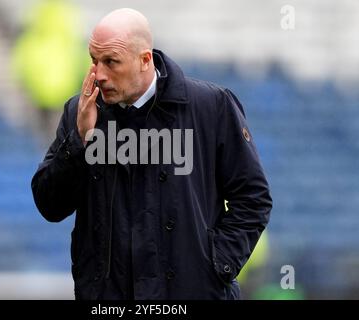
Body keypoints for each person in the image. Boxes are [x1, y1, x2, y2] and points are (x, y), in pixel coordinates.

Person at [31, 8, 272, 300]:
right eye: (94, 61)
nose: (99, 75)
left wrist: (215, 266)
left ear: (145, 60)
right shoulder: (80, 112)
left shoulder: (210, 107)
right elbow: (50, 205)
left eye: (111, 62)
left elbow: (253, 198)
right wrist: (79, 141)